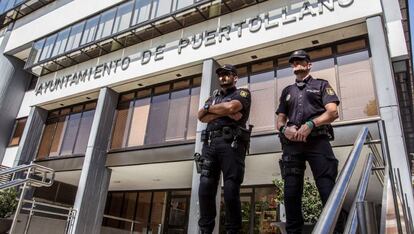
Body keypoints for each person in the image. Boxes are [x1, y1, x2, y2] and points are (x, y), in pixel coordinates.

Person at [276, 50, 343, 233]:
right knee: (291, 192)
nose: (296, 64)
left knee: (327, 187)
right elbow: (280, 120)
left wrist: (311, 124)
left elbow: (332, 112)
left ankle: (336, 230)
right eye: (293, 62)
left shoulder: (322, 85)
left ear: (308, 64)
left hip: (317, 141)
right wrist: (284, 129)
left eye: (300, 61)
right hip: (292, 145)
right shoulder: (287, 91)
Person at [197, 64, 252, 234]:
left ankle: (233, 230)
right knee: (205, 189)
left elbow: (232, 107)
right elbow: (201, 117)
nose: (223, 77)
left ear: (235, 77)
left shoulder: (242, 93)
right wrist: (220, 110)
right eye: (221, 75)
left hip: (231, 144)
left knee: (230, 190)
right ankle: (205, 230)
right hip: (210, 144)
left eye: (227, 74)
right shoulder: (213, 97)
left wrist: (212, 110)